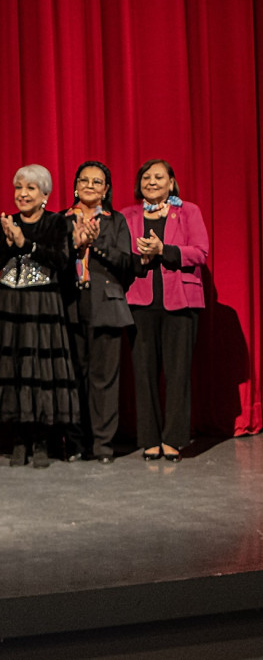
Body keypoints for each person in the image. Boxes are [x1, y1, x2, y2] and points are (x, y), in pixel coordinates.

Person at [0, 165, 78, 468]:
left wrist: (26, 245)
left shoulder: (57, 222)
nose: (22, 193)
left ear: (45, 195)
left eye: (31, 188)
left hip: (43, 302)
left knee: (41, 372)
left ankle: (42, 441)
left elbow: (61, 260)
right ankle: (19, 439)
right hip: (9, 303)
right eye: (19, 187)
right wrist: (9, 246)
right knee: (14, 370)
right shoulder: (5, 222)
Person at [123, 160, 209, 462]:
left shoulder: (189, 212)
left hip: (181, 302)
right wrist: (140, 259)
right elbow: (122, 257)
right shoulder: (128, 215)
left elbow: (200, 252)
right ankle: (149, 439)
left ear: (171, 183)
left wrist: (164, 251)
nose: (152, 182)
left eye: (159, 177)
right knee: (143, 374)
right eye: (146, 177)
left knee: (177, 373)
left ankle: (174, 438)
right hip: (140, 304)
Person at [61, 161, 134, 464]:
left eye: (97, 182)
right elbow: (53, 262)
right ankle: (77, 443)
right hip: (70, 304)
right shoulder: (61, 220)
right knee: (74, 376)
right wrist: (75, 246)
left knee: (104, 379)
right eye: (85, 181)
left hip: (106, 304)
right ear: (76, 186)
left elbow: (128, 265)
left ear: (106, 190)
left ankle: (103, 445)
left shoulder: (116, 221)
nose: (90, 186)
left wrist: (96, 246)